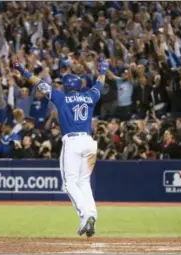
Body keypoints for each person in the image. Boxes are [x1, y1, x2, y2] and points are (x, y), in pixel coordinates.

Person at [14, 57, 109, 238]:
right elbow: (99, 84)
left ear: (65, 86)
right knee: (84, 182)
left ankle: (86, 215)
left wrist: (22, 69)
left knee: (69, 183)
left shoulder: (61, 96)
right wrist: (103, 70)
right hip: (89, 142)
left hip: (72, 141)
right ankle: (92, 215)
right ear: (79, 85)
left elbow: (39, 83)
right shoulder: (89, 95)